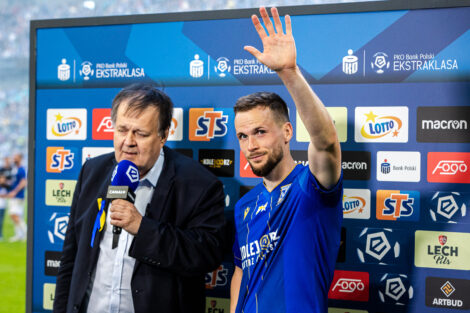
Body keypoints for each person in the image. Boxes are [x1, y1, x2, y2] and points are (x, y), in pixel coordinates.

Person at [54, 84, 226, 313]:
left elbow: (205, 255)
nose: (128, 141)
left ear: (163, 135)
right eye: (122, 130)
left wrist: (142, 228)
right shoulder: (92, 172)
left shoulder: (199, 184)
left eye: (140, 133)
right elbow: (71, 258)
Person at [230, 7, 343, 313]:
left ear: (287, 132)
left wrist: (288, 73)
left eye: (260, 132)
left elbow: (326, 141)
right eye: (243, 136)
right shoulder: (244, 206)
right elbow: (241, 273)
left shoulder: (311, 188)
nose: (251, 145)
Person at [7, 153, 27, 242]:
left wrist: (15, 192)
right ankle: (19, 235)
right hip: (15, 195)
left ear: (20, 158)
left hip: (18, 196)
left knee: (14, 215)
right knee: (18, 216)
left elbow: (23, 182)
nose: (14, 159)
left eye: (16, 158)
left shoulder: (21, 169)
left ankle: (26, 233)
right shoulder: (16, 169)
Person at [0, 174, 8, 240]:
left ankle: (1, 235)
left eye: (3, 178)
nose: (2, 180)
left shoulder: (6, 186)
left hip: (3, 206)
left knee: (1, 221)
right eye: (1, 178)